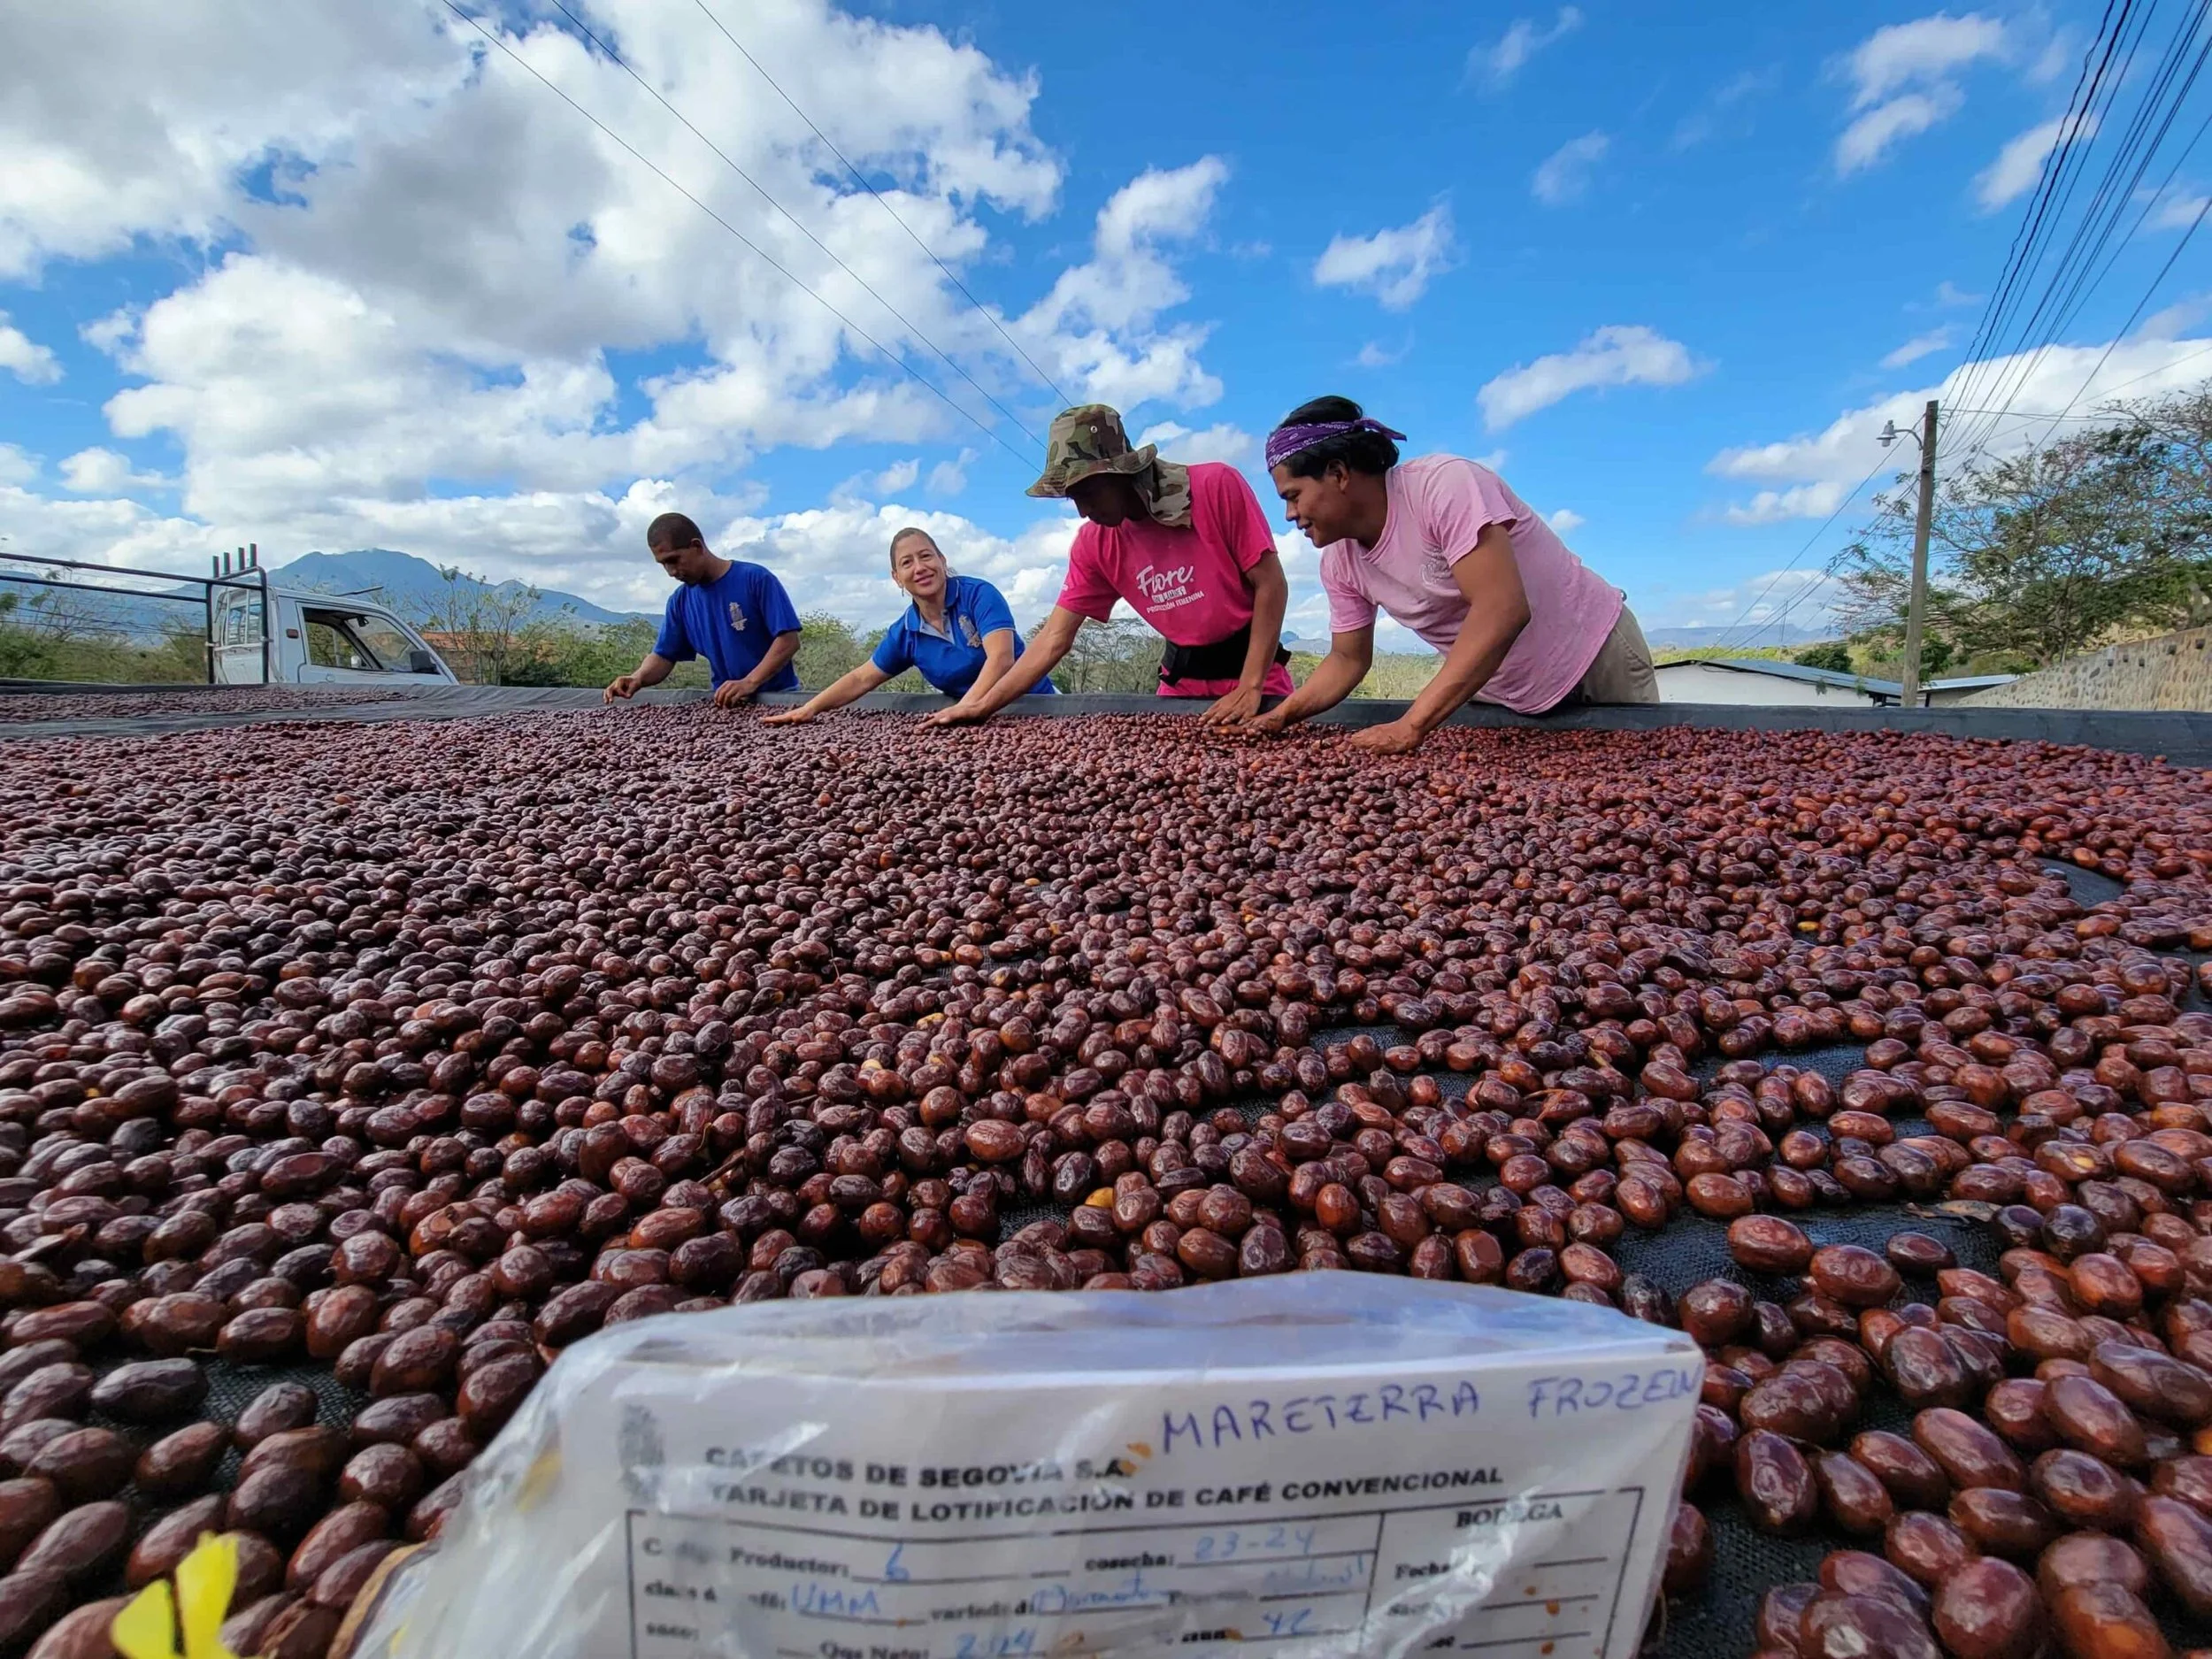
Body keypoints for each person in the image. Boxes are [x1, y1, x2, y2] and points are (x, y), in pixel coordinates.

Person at [1252, 396, 1655, 754]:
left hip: (1595, 659)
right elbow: (1347, 657)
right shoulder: (1339, 562)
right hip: (1502, 695)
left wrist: (1412, 724)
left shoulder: (1443, 487)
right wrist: (1281, 716)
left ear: (1338, 473)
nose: (1290, 515)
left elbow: (1502, 609)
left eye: (1293, 495)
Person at [921, 404, 1292, 726]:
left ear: (1119, 471)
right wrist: (982, 706)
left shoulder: (1214, 487)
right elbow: (1053, 640)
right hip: (1180, 685)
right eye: (1072, 498)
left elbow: (1271, 584)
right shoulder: (1094, 544)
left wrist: (1251, 685)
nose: (1083, 511)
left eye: (1087, 492)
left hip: (1256, 675)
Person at [763, 527, 1054, 724]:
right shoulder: (906, 632)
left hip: (1035, 708)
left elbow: (1001, 659)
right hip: (969, 723)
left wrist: (966, 709)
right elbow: (862, 678)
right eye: (907, 563)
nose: (920, 568)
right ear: (897, 577)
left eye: (926, 556)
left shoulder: (978, 595)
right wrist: (809, 709)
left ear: (942, 560)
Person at [603, 512, 803, 709]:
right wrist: (637, 678)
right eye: (663, 564)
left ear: (697, 546)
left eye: (674, 560)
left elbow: (788, 640)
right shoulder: (680, 601)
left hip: (778, 699)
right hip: (726, 703)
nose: (671, 572)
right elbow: (664, 655)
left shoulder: (756, 579)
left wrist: (750, 682)